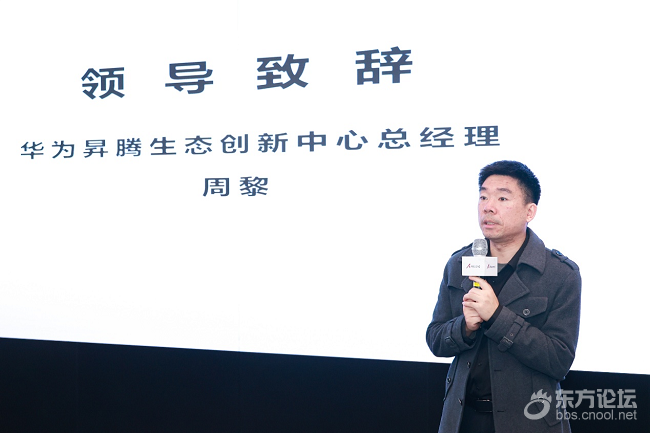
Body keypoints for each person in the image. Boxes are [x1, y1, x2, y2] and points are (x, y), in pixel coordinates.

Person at [426, 160, 581, 433]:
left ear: (530, 211)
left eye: (502, 198)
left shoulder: (559, 273)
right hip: (461, 420)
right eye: (483, 197)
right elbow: (436, 339)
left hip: (528, 423)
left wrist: (497, 317)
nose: (488, 207)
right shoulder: (460, 263)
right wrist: (464, 327)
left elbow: (559, 361)